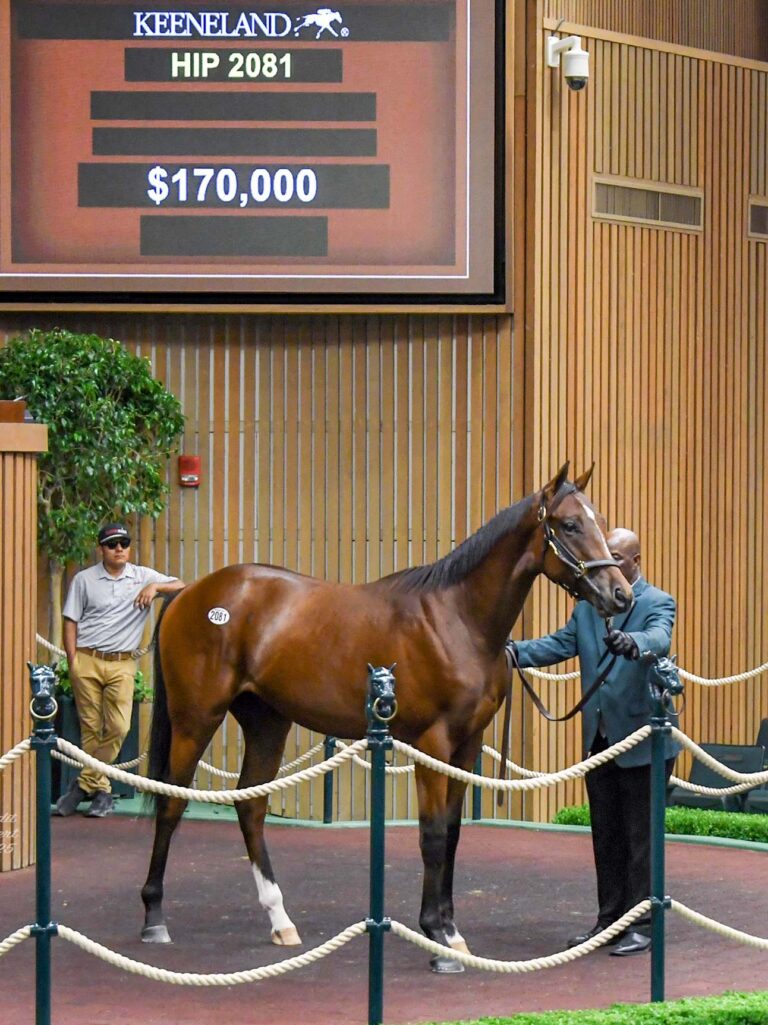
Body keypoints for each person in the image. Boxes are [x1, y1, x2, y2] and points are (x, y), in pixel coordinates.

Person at [509, 528, 680, 956]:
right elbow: (559, 645)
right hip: (600, 740)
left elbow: (660, 637)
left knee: (641, 838)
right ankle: (609, 920)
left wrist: (634, 642)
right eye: (606, 554)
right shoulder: (588, 607)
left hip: (643, 742)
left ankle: (642, 924)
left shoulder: (657, 601)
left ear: (636, 561)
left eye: (617, 556)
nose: (609, 562)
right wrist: (510, 652)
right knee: (606, 836)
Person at [54, 523, 185, 818]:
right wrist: (73, 660)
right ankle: (102, 791)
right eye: (112, 544)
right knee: (90, 730)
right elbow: (70, 620)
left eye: (124, 543)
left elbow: (182, 585)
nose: (119, 549)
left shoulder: (142, 576)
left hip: (123, 663)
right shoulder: (84, 580)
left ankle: (82, 785)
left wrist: (155, 587)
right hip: (87, 659)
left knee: (119, 727)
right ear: (101, 549)